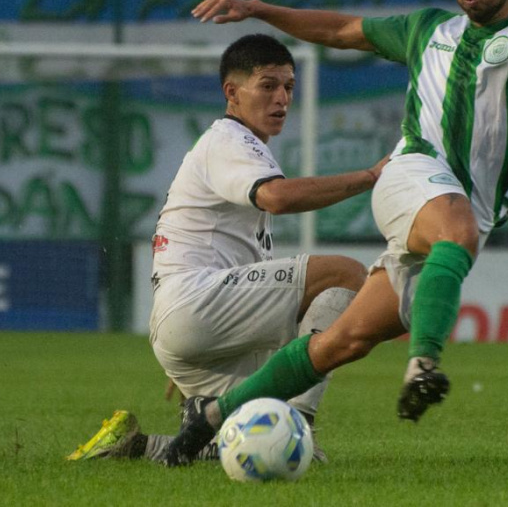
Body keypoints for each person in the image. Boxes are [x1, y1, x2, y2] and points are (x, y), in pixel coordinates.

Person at [158, 0, 508, 465]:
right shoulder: (429, 29)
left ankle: (208, 420)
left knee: (344, 341)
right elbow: (339, 30)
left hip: (462, 208)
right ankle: (424, 365)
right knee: (457, 231)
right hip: (412, 173)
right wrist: (261, 8)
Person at [66, 34, 384, 462]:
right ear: (232, 93)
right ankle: (298, 425)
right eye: (268, 85)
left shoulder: (237, 148)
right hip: (198, 305)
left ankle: (139, 448)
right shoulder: (231, 140)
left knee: (240, 432)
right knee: (345, 275)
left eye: (288, 86)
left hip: (193, 325)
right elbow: (278, 198)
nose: (282, 98)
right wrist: (368, 176)